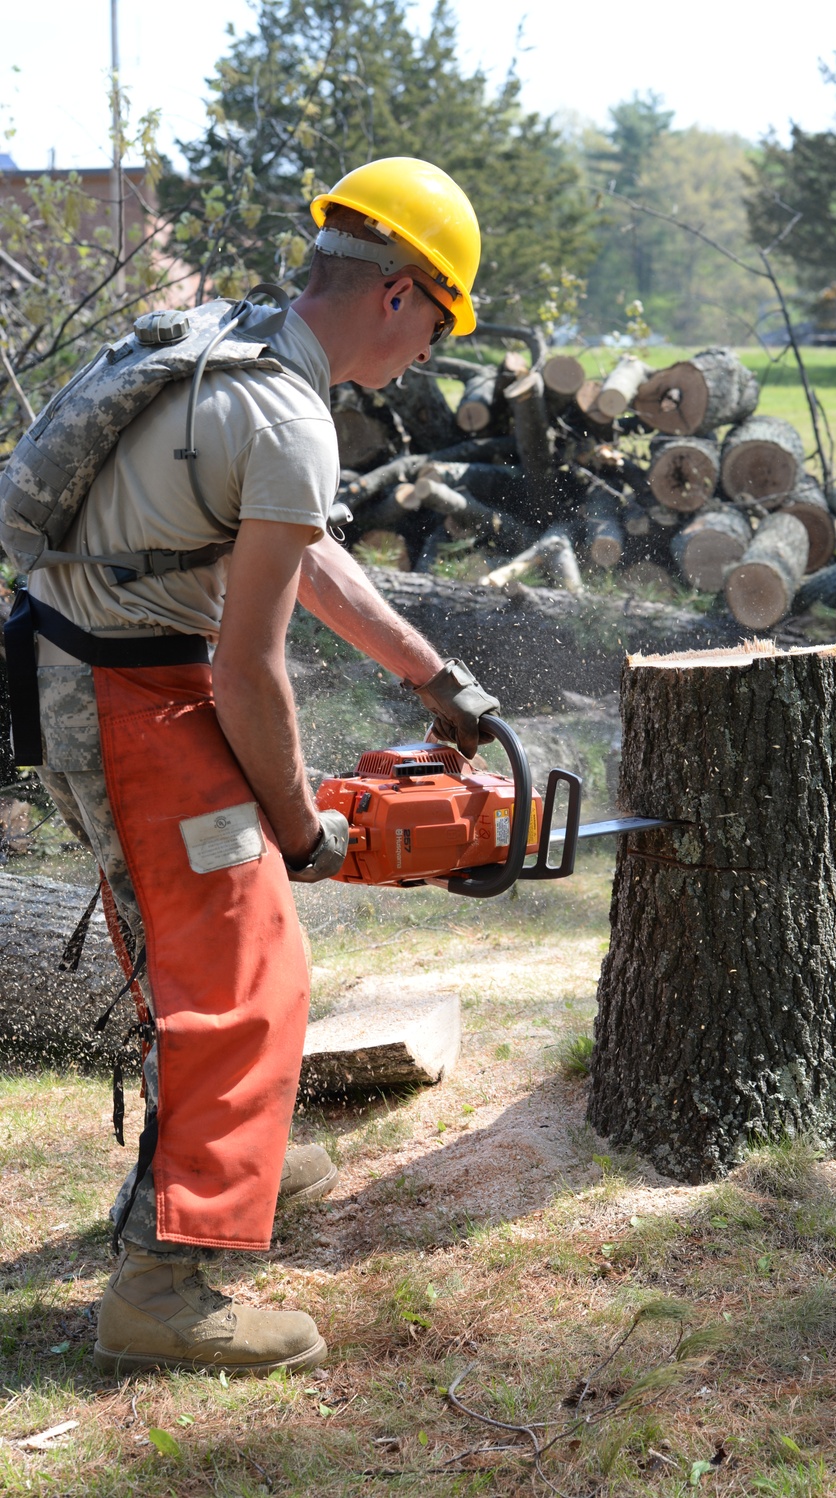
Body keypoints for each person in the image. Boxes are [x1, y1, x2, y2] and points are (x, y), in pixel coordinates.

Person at [1, 157, 500, 1375]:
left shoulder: (240, 349)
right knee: (236, 971)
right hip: (133, 696)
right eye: (436, 324)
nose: (425, 354)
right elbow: (248, 673)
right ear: (399, 293)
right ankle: (173, 1285)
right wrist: (299, 823)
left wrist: (433, 674)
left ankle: (226, 1167)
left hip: (95, 670)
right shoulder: (288, 414)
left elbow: (307, 553)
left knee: (215, 944)